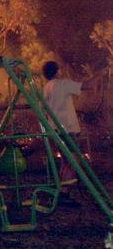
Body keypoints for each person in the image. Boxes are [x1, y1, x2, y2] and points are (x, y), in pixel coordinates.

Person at [41, 60, 103, 205]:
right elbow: (87, 85)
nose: (61, 71)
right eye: (59, 69)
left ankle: (62, 190)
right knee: (73, 161)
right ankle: (64, 193)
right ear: (56, 71)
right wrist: (99, 74)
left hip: (55, 129)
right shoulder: (62, 84)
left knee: (65, 161)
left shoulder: (46, 88)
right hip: (67, 129)